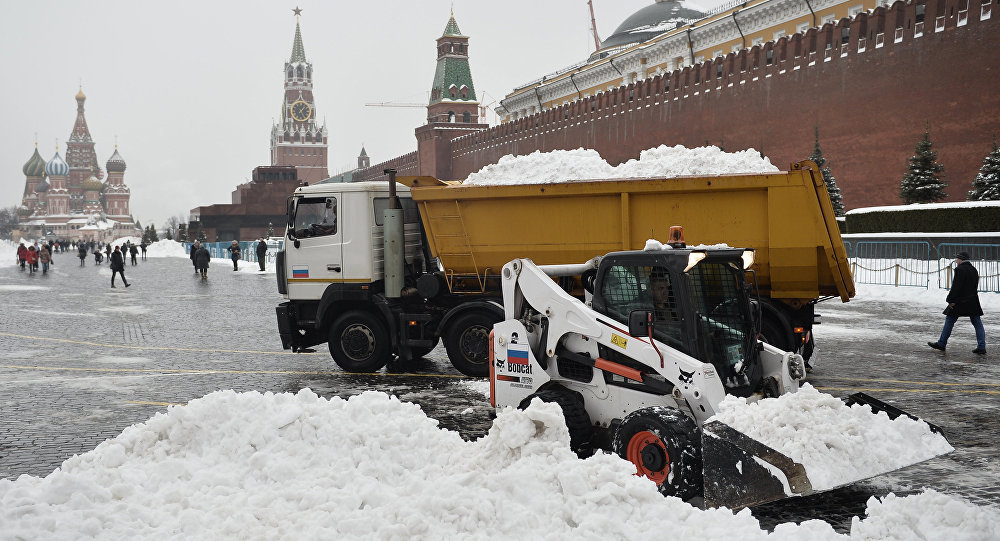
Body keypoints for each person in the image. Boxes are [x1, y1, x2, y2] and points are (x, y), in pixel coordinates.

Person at [929, 252, 986, 355]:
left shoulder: (960, 270)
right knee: (977, 322)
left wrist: (950, 299)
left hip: (959, 301)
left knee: (950, 319)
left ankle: (941, 344)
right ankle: (981, 347)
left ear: (961, 259)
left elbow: (956, 286)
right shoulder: (974, 270)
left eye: (957, 259)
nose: (956, 261)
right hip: (973, 300)